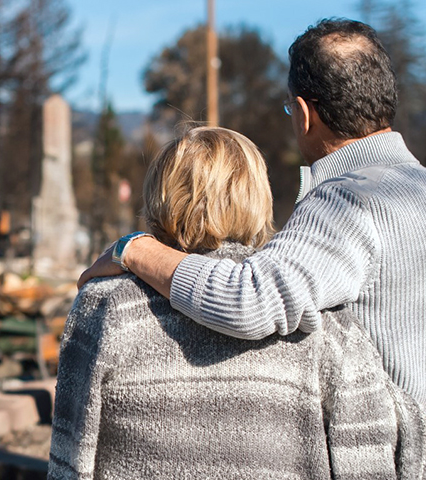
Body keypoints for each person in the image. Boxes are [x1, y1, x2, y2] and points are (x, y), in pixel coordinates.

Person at [43, 126, 426, 480]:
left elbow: (69, 475)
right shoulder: (326, 330)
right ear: (258, 199)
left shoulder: (103, 309)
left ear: (159, 198)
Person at [76, 19, 426, 403]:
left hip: (396, 456)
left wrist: (134, 249)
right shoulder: (415, 187)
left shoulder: (348, 200)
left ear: (305, 114)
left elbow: (247, 301)